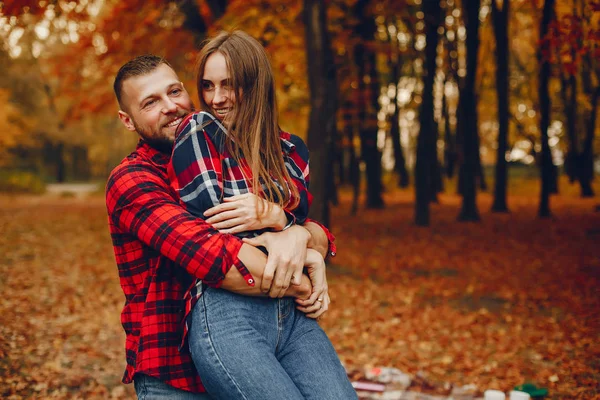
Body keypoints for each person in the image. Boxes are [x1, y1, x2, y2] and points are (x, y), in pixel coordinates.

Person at [107, 54, 338, 399]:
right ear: (128, 120)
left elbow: (308, 228)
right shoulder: (133, 181)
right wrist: (307, 283)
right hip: (176, 372)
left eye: (174, 92)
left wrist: (295, 231)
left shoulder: (229, 152)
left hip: (266, 341)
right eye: (151, 102)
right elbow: (221, 259)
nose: (171, 107)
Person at [169, 30, 357, 400]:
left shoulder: (292, 149)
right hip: (228, 312)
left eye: (230, 85)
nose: (216, 98)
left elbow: (300, 207)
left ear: (255, 85)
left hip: (292, 317)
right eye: (207, 86)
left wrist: (280, 219)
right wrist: (293, 235)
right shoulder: (198, 130)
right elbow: (218, 223)